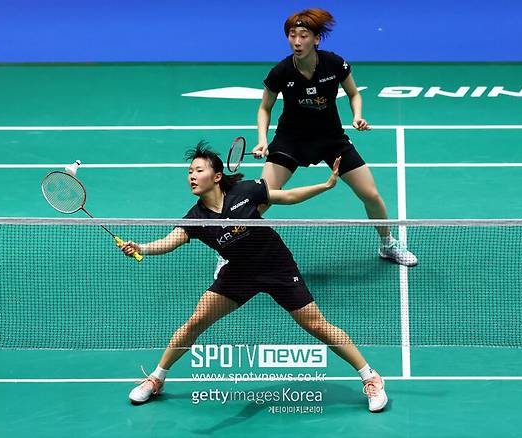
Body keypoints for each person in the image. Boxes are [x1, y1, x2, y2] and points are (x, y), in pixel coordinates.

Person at [121, 142, 388, 412]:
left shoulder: (246, 191)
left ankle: (371, 377)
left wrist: (325, 186)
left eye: (198, 170)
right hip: (239, 272)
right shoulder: (197, 217)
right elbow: (171, 240)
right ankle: (157, 378)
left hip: (276, 267)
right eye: (189, 171)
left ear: (216, 176)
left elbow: (288, 196)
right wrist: (142, 248)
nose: (191, 175)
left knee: (317, 325)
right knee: (196, 322)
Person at [251, 8, 417, 267]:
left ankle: (388, 243)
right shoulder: (281, 72)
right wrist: (262, 139)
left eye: (303, 35)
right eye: (292, 35)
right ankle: (230, 253)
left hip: (331, 138)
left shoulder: (334, 63)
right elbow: (265, 108)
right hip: (290, 139)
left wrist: (357, 115)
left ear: (316, 39)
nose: (297, 41)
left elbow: (354, 93)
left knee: (370, 194)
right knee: (261, 198)